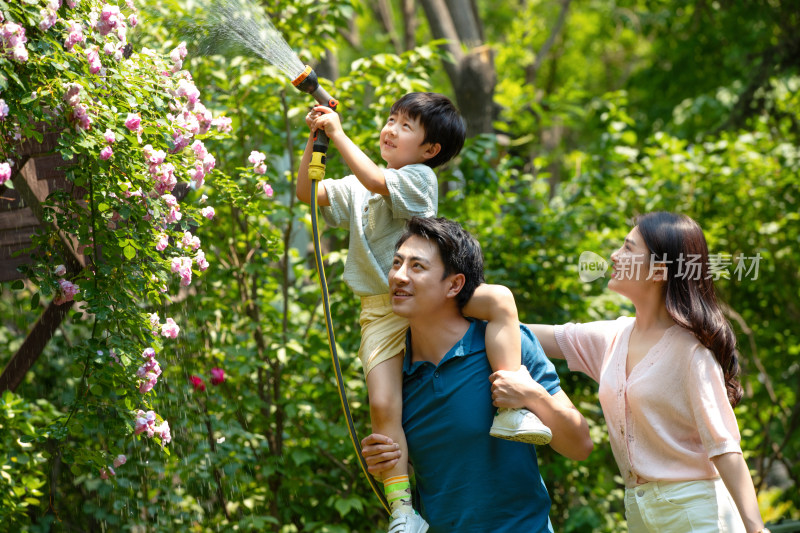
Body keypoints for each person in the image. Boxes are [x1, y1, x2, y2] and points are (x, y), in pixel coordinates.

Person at [297, 94, 552, 532]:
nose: (391, 129)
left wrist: (339, 134)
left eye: (406, 126)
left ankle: (511, 404)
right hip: (381, 309)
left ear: (430, 150)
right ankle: (402, 511)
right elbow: (307, 192)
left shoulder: (418, 178)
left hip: (430, 298)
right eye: (391, 119)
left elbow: (379, 180)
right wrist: (316, 140)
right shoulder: (359, 185)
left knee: (498, 300)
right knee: (382, 404)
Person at [508, 212, 768, 533]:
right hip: (640, 513)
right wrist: (475, 306)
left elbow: (725, 447)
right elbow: (522, 334)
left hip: (696, 512)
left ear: (659, 271)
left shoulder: (692, 352)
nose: (614, 256)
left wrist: (756, 529)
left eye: (628, 249)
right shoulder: (612, 337)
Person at [361, 216, 593, 532]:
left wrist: (533, 396)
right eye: (397, 263)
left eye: (417, 267)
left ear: (454, 284)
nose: (399, 276)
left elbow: (579, 446)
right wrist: (384, 460)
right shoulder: (391, 373)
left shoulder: (508, 344)